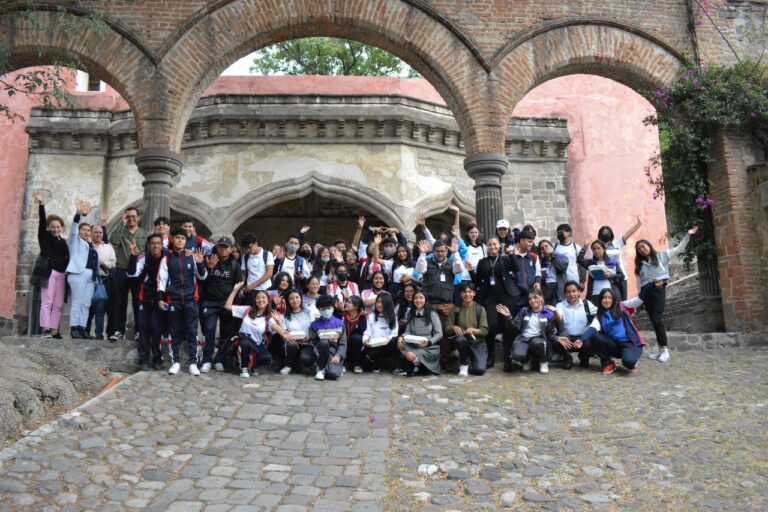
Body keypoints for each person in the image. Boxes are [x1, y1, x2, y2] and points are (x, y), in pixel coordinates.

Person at [635, 226, 699, 363]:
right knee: (654, 322)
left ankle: (665, 350)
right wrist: (640, 300)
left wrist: (688, 235)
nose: (642, 249)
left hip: (658, 290)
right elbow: (639, 283)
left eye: (643, 246)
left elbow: (679, 249)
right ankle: (660, 349)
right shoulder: (639, 265)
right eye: (639, 249)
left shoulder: (661, 256)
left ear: (648, 245)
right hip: (646, 293)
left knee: (658, 320)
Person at [156, 228, 208, 376]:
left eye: (183, 238)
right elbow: (161, 280)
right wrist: (160, 299)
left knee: (192, 332)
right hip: (174, 300)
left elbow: (202, 277)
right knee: (174, 332)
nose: (180, 240)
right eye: (177, 238)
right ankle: (176, 362)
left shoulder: (191, 256)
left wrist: (200, 263)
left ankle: (193, 363)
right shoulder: (167, 258)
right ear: (173, 240)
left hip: (191, 300)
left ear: (186, 241)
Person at [472, 236, 520, 370]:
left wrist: (511, 255)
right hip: (490, 299)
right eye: (490, 245)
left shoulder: (505, 259)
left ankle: (507, 358)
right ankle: (491, 356)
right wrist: (470, 271)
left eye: (495, 244)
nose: (492, 247)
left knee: (508, 326)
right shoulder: (482, 262)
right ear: (487, 247)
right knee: (491, 326)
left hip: (507, 297)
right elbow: (477, 281)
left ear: (499, 246)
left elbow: (516, 268)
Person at [415, 238, 463, 367]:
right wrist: (423, 254)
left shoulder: (451, 263)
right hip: (430, 303)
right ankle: (429, 361)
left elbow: (459, 269)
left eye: (442, 251)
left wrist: (456, 253)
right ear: (434, 251)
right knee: (430, 333)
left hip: (447, 304)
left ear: (446, 251)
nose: (440, 254)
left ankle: (445, 361)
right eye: (437, 251)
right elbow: (420, 269)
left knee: (445, 335)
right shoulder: (427, 262)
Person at [223, 283, 288, 378]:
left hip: (256, 345)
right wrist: (235, 290)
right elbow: (227, 306)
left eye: (263, 298)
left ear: (267, 301)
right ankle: (243, 368)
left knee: (266, 358)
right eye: (258, 298)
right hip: (242, 341)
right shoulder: (248, 310)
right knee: (245, 343)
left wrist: (282, 329)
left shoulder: (268, 318)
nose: (260, 300)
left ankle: (251, 365)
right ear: (255, 300)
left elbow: (275, 327)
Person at [200, 236, 242, 373]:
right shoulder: (210, 260)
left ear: (231, 249)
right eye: (221, 246)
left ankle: (220, 360)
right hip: (210, 302)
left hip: (226, 304)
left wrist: (233, 306)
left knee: (225, 333)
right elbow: (202, 281)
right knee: (209, 330)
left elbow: (237, 286)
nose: (223, 249)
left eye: (226, 247)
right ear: (216, 247)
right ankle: (206, 360)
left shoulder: (235, 265)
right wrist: (210, 268)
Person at [581, 288, 646, 375]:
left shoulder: (622, 306)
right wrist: (581, 339)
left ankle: (631, 361)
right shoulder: (599, 315)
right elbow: (592, 328)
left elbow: (637, 301)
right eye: (604, 298)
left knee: (628, 363)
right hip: (614, 345)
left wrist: (650, 286)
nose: (607, 300)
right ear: (600, 300)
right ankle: (608, 363)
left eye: (609, 298)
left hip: (629, 343)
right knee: (594, 336)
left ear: (613, 299)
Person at [32, 192, 69, 339]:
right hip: (49, 272)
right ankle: (45, 328)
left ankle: (54, 329)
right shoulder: (45, 237)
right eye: (52, 227)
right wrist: (41, 205)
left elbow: (67, 258)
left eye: (58, 227)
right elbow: (41, 222)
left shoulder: (63, 241)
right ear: (49, 228)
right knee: (47, 301)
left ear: (61, 228)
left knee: (58, 304)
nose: (55, 229)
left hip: (61, 274)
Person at [127, 233, 166, 371]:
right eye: (153, 243)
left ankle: (157, 358)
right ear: (149, 245)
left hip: (161, 299)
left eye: (158, 243)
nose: (155, 245)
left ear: (162, 245)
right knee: (143, 328)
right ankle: (143, 359)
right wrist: (133, 256)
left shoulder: (167, 257)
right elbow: (132, 273)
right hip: (145, 297)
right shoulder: (144, 257)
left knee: (156, 329)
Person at [109, 206, 149, 341]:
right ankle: (119, 331)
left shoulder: (145, 234)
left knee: (138, 302)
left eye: (133, 216)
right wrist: (121, 224)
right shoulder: (121, 232)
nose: (131, 219)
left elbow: (148, 252)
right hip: (121, 269)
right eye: (128, 217)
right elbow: (113, 241)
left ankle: (139, 331)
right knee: (120, 302)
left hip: (138, 272)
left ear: (138, 218)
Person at [497, 288, 558, 374]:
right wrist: (508, 316)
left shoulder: (548, 313)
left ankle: (543, 361)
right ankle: (526, 360)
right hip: (524, 339)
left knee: (536, 343)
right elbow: (515, 328)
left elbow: (551, 332)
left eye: (535, 297)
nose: (532, 300)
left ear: (541, 298)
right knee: (516, 355)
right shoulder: (524, 311)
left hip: (539, 340)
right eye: (530, 299)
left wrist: (558, 338)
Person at [65, 200, 99, 339]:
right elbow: (73, 229)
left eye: (88, 230)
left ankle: (82, 328)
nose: (86, 232)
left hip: (90, 276)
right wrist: (78, 214)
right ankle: (73, 328)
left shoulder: (90, 245)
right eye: (83, 230)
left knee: (86, 304)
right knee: (77, 301)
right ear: (80, 232)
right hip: (78, 273)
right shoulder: (75, 241)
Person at [445, 282, 489, 376]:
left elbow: (485, 330)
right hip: (461, 342)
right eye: (464, 292)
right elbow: (447, 328)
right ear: (460, 294)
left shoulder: (480, 309)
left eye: (470, 292)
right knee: (461, 340)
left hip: (476, 343)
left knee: (479, 370)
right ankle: (463, 363)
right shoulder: (455, 309)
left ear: (474, 293)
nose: (467, 294)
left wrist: (474, 330)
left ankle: (471, 361)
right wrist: (454, 327)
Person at [396, 290, 442, 376]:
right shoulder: (411, 314)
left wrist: (429, 342)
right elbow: (408, 331)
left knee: (409, 355)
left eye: (421, 298)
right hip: (414, 344)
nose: (418, 300)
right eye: (416, 298)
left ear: (425, 300)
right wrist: (401, 337)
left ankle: (418, 366)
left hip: (429, 346)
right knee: (399, 344)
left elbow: (439, 333)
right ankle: (418, 365)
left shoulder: (432, 314)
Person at [553, 281, 598, 369]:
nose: (571, 294)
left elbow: (599, 313)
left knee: (591, 339)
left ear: (578, 292)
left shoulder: (586, 304)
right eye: (568, 292)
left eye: (574, 291)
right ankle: (568, 359)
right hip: (568, 337)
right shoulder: (560, 305)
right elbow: (559, 319)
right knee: (562, 337)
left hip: (582, 338)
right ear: (565, 293)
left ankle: (584, 358)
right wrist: (555, 312)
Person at [597, 216, 642, 300]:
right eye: (603, 232)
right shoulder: (598, 248)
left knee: (623, 302)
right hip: (607, 279)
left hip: (621, 277)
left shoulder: (616, 244)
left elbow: (627, 234)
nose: (605, 233)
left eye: (607, 232)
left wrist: (639, 224)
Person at [86, 223, 116, 340]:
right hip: (88, 280)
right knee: (87, 308)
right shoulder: (86, 246)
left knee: (100, 308)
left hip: (103, 280)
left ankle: (99, 335)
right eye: (96, 232)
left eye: (100, 232)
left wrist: (103, 263)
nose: (98, 234)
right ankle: (85, 333)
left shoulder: (108, 247)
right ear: (91, 233)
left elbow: (113, 263)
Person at [276, 290, 316, 375]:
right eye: (291, 299)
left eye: (297, 297)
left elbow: (313, 327)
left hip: (307, 343)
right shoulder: (284, 316)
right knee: (292, 345)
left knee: (306, 359)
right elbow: (284, 333)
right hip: (292, 343)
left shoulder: (308, 312)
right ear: (288, 301)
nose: (295, 300)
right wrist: (279, 322)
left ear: (301, 298)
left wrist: (309, 336)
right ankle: (289, 365)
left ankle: (299, 363)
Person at [308, 295, 346, 381]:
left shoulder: (340, 323)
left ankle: (337, 366)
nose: (326, 311)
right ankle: (321, 368)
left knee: (333, 374)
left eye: (328, 308)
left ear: (333, 307)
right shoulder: (315, 325)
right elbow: (314, 343)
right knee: (324, 342)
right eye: (323, 309)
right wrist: (328, 341)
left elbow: (343, 343)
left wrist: (338, 356)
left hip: (334, 352)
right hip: (320, 352)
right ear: (319, 309)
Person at [578, 239, 625, 306]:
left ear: (604, 249)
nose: (596, 251)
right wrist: (585, 246)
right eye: (594, 249)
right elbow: (580, 259)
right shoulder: (591, 263)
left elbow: (621, 276)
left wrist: (611, 275)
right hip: (595, 295)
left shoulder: (611, 261)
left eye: (598, 248)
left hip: (610, 294)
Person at [362, 293, 398, 373]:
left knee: (396, 341)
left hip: (387, 345)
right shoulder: (371, 316)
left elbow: (394, 333)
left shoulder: (393, 317)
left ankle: (396, 366)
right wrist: (365, 340)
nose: (378, 305)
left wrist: (387, 338)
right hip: (374, 345)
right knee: (367, 352)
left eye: (381, 303)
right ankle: (375, 362)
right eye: (377, 302)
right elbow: (368, 332)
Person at [241, 233, 275, 302]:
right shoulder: (245, 256)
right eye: (246, 248)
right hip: (250, 291)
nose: (248, 250)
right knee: (250, 311)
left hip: (266, 289)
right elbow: (243, 273)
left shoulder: (268, 254)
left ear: (256, 243)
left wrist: (253, 285)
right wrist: (242, 286)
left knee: (266, 311)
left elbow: (269, 273)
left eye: (249, 247)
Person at [554, 223, 585, 290]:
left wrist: (582, 281)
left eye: (560, 232)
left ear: (568, 233)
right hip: (560, 280)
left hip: (574, 277)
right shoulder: (555, 247)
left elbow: (582, 264)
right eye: (557, 232)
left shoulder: (576, 247)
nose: (559, 234)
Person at [342, 295, 367, 373]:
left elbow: (362, 331)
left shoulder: (362, 318)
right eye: (346, 302)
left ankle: (357, 364)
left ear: (356, 306)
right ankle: (342, 363)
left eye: (349, 302)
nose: (346, 303)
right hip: (343, 343)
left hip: (355, 346)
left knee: (357, 338)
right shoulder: (342, 316)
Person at [538, 239, 568, 305]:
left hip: (559, 288)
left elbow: (561, 268)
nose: (544, 249)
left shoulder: (562, 257)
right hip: (547, 290)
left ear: (552, 247)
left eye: (546, 246)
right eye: (542, 248)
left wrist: (552, 255)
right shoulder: (540, 262)